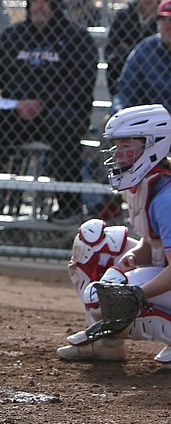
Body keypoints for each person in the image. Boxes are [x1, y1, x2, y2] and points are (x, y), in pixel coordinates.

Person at [0, 0, 99, 223]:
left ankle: (69, 207)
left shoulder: (77, 38)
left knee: (63, 122)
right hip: (15, 116)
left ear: (56, 5)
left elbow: (80, 83)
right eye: (34, 1)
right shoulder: (14, 35)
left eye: (45, 1)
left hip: (56, 115)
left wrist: (42, 102)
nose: (38, 7)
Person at [57, 104, 171, 365]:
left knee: (104, 299)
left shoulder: (167, 198)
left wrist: (138, 293)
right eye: (116, 146)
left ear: (153, 144)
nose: (117, 154)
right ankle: (106, 344)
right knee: (92, 243)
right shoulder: (148, 182)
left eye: (125, 146)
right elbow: (151, 242)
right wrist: (126, 261)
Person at [104, 0, 165, 96]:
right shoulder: (124, 15)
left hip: (160, 72)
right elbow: (110, 50)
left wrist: (127, 47)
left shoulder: (166, 14)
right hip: (128, 74)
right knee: (115, 63)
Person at [111, 0, 171, 115]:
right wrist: (121, 114)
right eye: (164, 19)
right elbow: (124, 93)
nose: (168, 26)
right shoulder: (145, 50)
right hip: (149, 124)